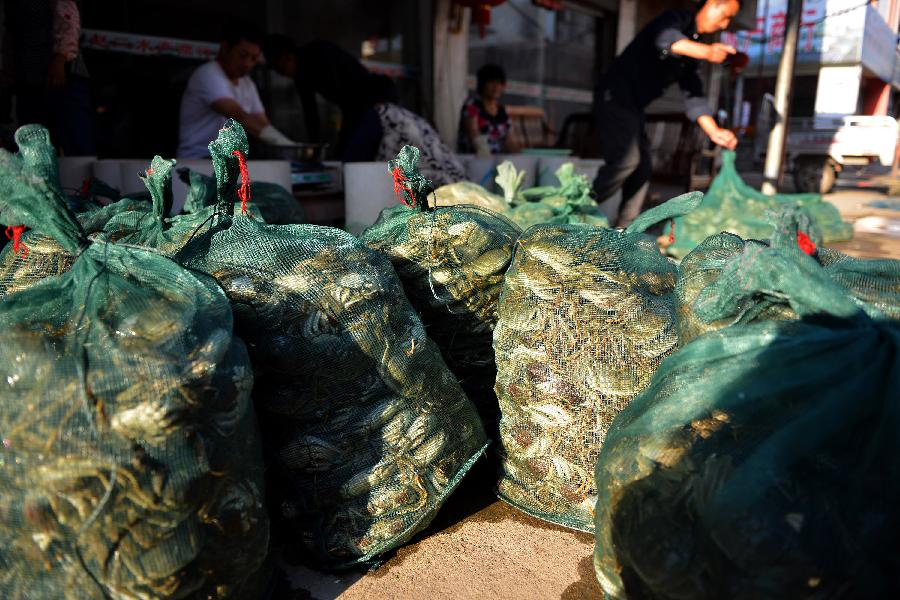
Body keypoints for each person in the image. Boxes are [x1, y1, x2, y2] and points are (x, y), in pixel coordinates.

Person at [592, 0, 741, 227]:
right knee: (626, 160)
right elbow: (666, 39)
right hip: (614, 97)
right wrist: (707, 52)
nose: (725, 24)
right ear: (712, 3)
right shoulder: (676, 18)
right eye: (726, 15)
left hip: (634, 107)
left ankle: (625, 229)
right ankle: (577, 208)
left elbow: (694, 97)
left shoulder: (692, 54)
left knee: (643, 168)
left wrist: (715, 132)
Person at [177, 21, 294, 158]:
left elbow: (261, 123)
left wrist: (287, 147)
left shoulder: (247, 83)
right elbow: (238, 116)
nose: (247, 63)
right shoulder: (208, 74)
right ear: (225, 48)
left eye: (254, 58)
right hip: (197, 160)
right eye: (243, 55)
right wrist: (288, 146)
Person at [6, 0, 95, 155]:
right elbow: (9, 34)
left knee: (75, 138)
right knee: (35, 143)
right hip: (29, 78)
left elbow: (68, 20)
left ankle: (82, 178)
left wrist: (61, 57)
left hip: (62, 74)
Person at [345, 74, 466, 187]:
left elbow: (354, 163)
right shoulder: (410, 118)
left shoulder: (379, 115)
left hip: (438, 194)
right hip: (462, 189)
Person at [261, 36, 371, 158]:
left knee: (353, 148)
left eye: (280, 69)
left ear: (288, 57)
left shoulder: (318, 53)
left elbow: (347, 93)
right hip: (351, 106)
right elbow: (310, 113)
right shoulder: (300, 77)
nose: (282, 74)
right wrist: (314, 148)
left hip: (366, 100)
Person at [458, 64, 520, 155]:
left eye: (500, 83)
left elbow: (510, 141)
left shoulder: (503, 111)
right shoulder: (471, 107)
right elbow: (474, 136)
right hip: (476, 161)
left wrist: (521, 158)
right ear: (482, 84)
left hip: (499, 162)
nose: (496, 87)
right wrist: (489, 158)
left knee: (522, 169)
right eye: (492, 82)